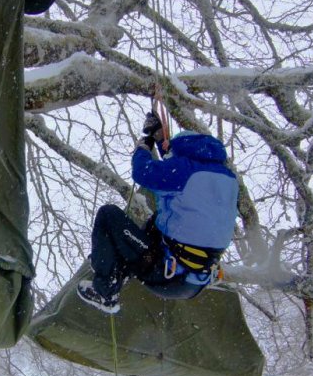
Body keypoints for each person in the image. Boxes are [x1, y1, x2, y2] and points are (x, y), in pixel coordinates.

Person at [77, 112, 240, 314]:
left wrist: (142, 149)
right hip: (196, 279)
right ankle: (121, 270)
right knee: (158, 220)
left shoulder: (184, 171)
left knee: (108, 215)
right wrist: (158, 135)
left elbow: (143, 172)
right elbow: (176, 167)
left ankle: (105, 292)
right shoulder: (228, 178)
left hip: (167, 275)